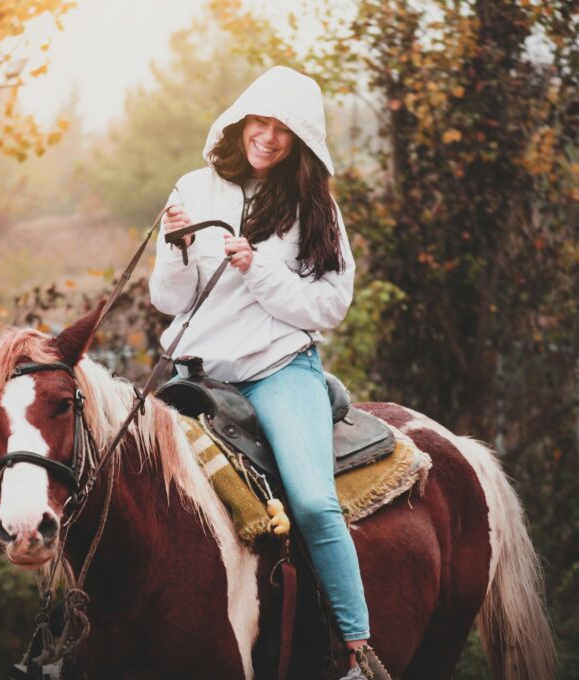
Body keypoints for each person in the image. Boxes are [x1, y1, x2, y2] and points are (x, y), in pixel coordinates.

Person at [148, 66, 390, 680]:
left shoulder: (315, 208)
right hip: (196, 375)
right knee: (123, 481)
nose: (268, 137)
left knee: (311, 502)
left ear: (300, 140)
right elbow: (167, 299)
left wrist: (259, 269)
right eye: (260, 122)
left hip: (276, 369)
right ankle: (75, 637)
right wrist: (177, 248)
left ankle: (358, 653)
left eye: (284, 129)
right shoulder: (193, 189)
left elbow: (329, 307)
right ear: (240, 122)